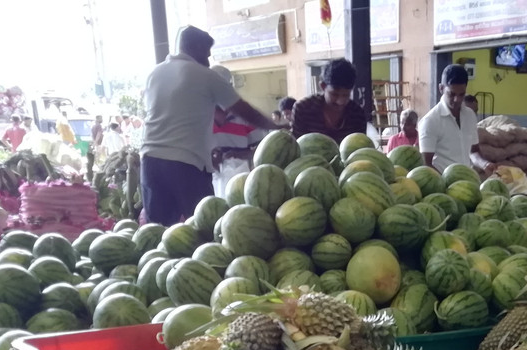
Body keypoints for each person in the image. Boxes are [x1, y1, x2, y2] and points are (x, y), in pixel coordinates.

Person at [141, 25, 275, 226]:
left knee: (158, 231)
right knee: (205, 227)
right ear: (195, 47)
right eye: (206, 52)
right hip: (185, 163)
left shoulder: (155, 73)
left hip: (150, 162)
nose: (209, 59)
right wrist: (276, 126)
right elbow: (244, 110)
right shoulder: (205, 75)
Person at [418, 64, 496, 175]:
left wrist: (485, 164)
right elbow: (426, 164)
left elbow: (473, 152)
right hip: (442, 182)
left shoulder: (470, 116)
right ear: (441, 88)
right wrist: (446, 182)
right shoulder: (430, 121)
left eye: (461, 94)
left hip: (466, 180)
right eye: (452, 94)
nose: (457, 99)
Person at [210, 64, 265, 196]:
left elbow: (262, 150)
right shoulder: (198, 119)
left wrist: (239, 154)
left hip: (240, 180)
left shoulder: (246, 117)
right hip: (210, 184)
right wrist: (209, 159)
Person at [291, 58, 368, 142]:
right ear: (323, 86)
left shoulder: (357, 114)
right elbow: (296, 145)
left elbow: (360, 146)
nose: (340, 101)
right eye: (334, 94)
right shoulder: (303, 109)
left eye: (346, 95)